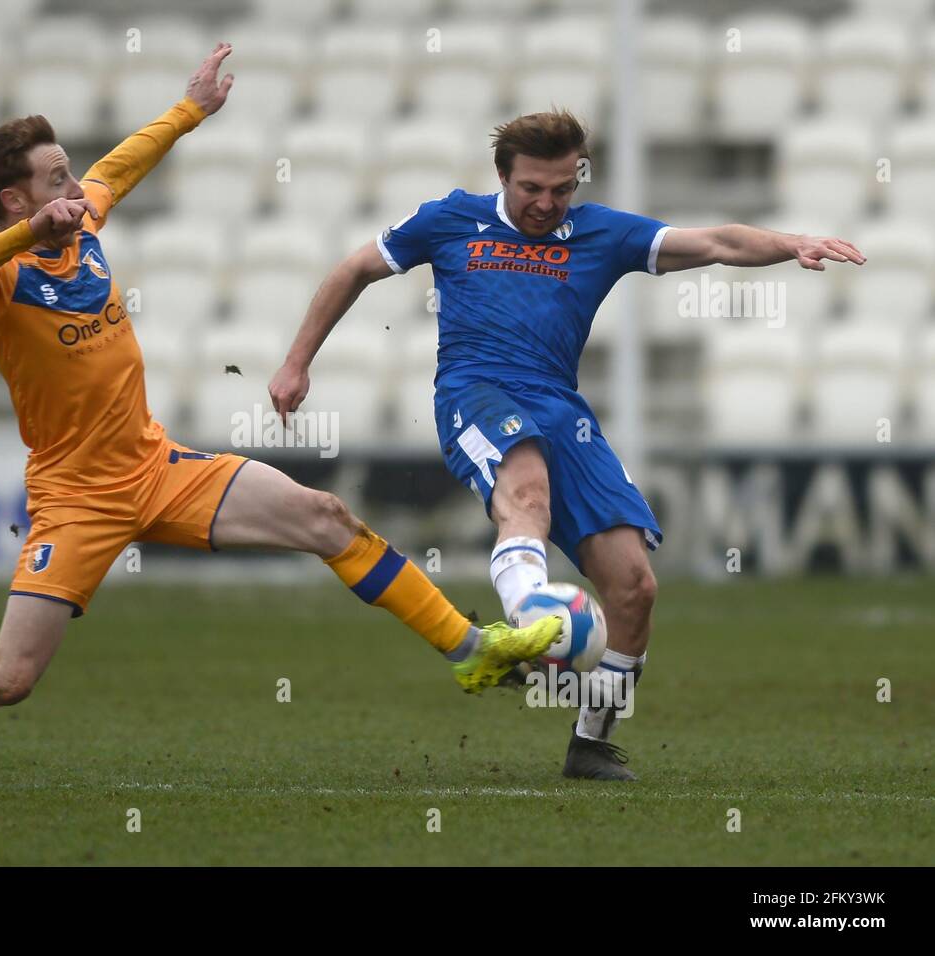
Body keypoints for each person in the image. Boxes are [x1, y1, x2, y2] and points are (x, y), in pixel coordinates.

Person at [0, 45, 562, 785]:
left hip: (157, 468)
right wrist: (28, 234)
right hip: (75, 498)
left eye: (70, 173)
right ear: (16, 200)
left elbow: (121, 165)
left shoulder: (83, 218)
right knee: (11, 677)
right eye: (57, 177)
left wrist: (189, 110)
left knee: (326, 517)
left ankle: (471, 649)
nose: (77, 185)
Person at [269, 109, 865, 780]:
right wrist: (297, 363)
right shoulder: (449, 219)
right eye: (532, 189)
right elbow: (354, 269)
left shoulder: (602, 233)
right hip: (476, 392)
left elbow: (718, 242)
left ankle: (590, 743)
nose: (547, 204)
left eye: (561, 189)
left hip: (561, 409)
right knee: (524, 491)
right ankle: (533, 617)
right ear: (503, 177)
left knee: (634, 587)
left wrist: (793, 243)